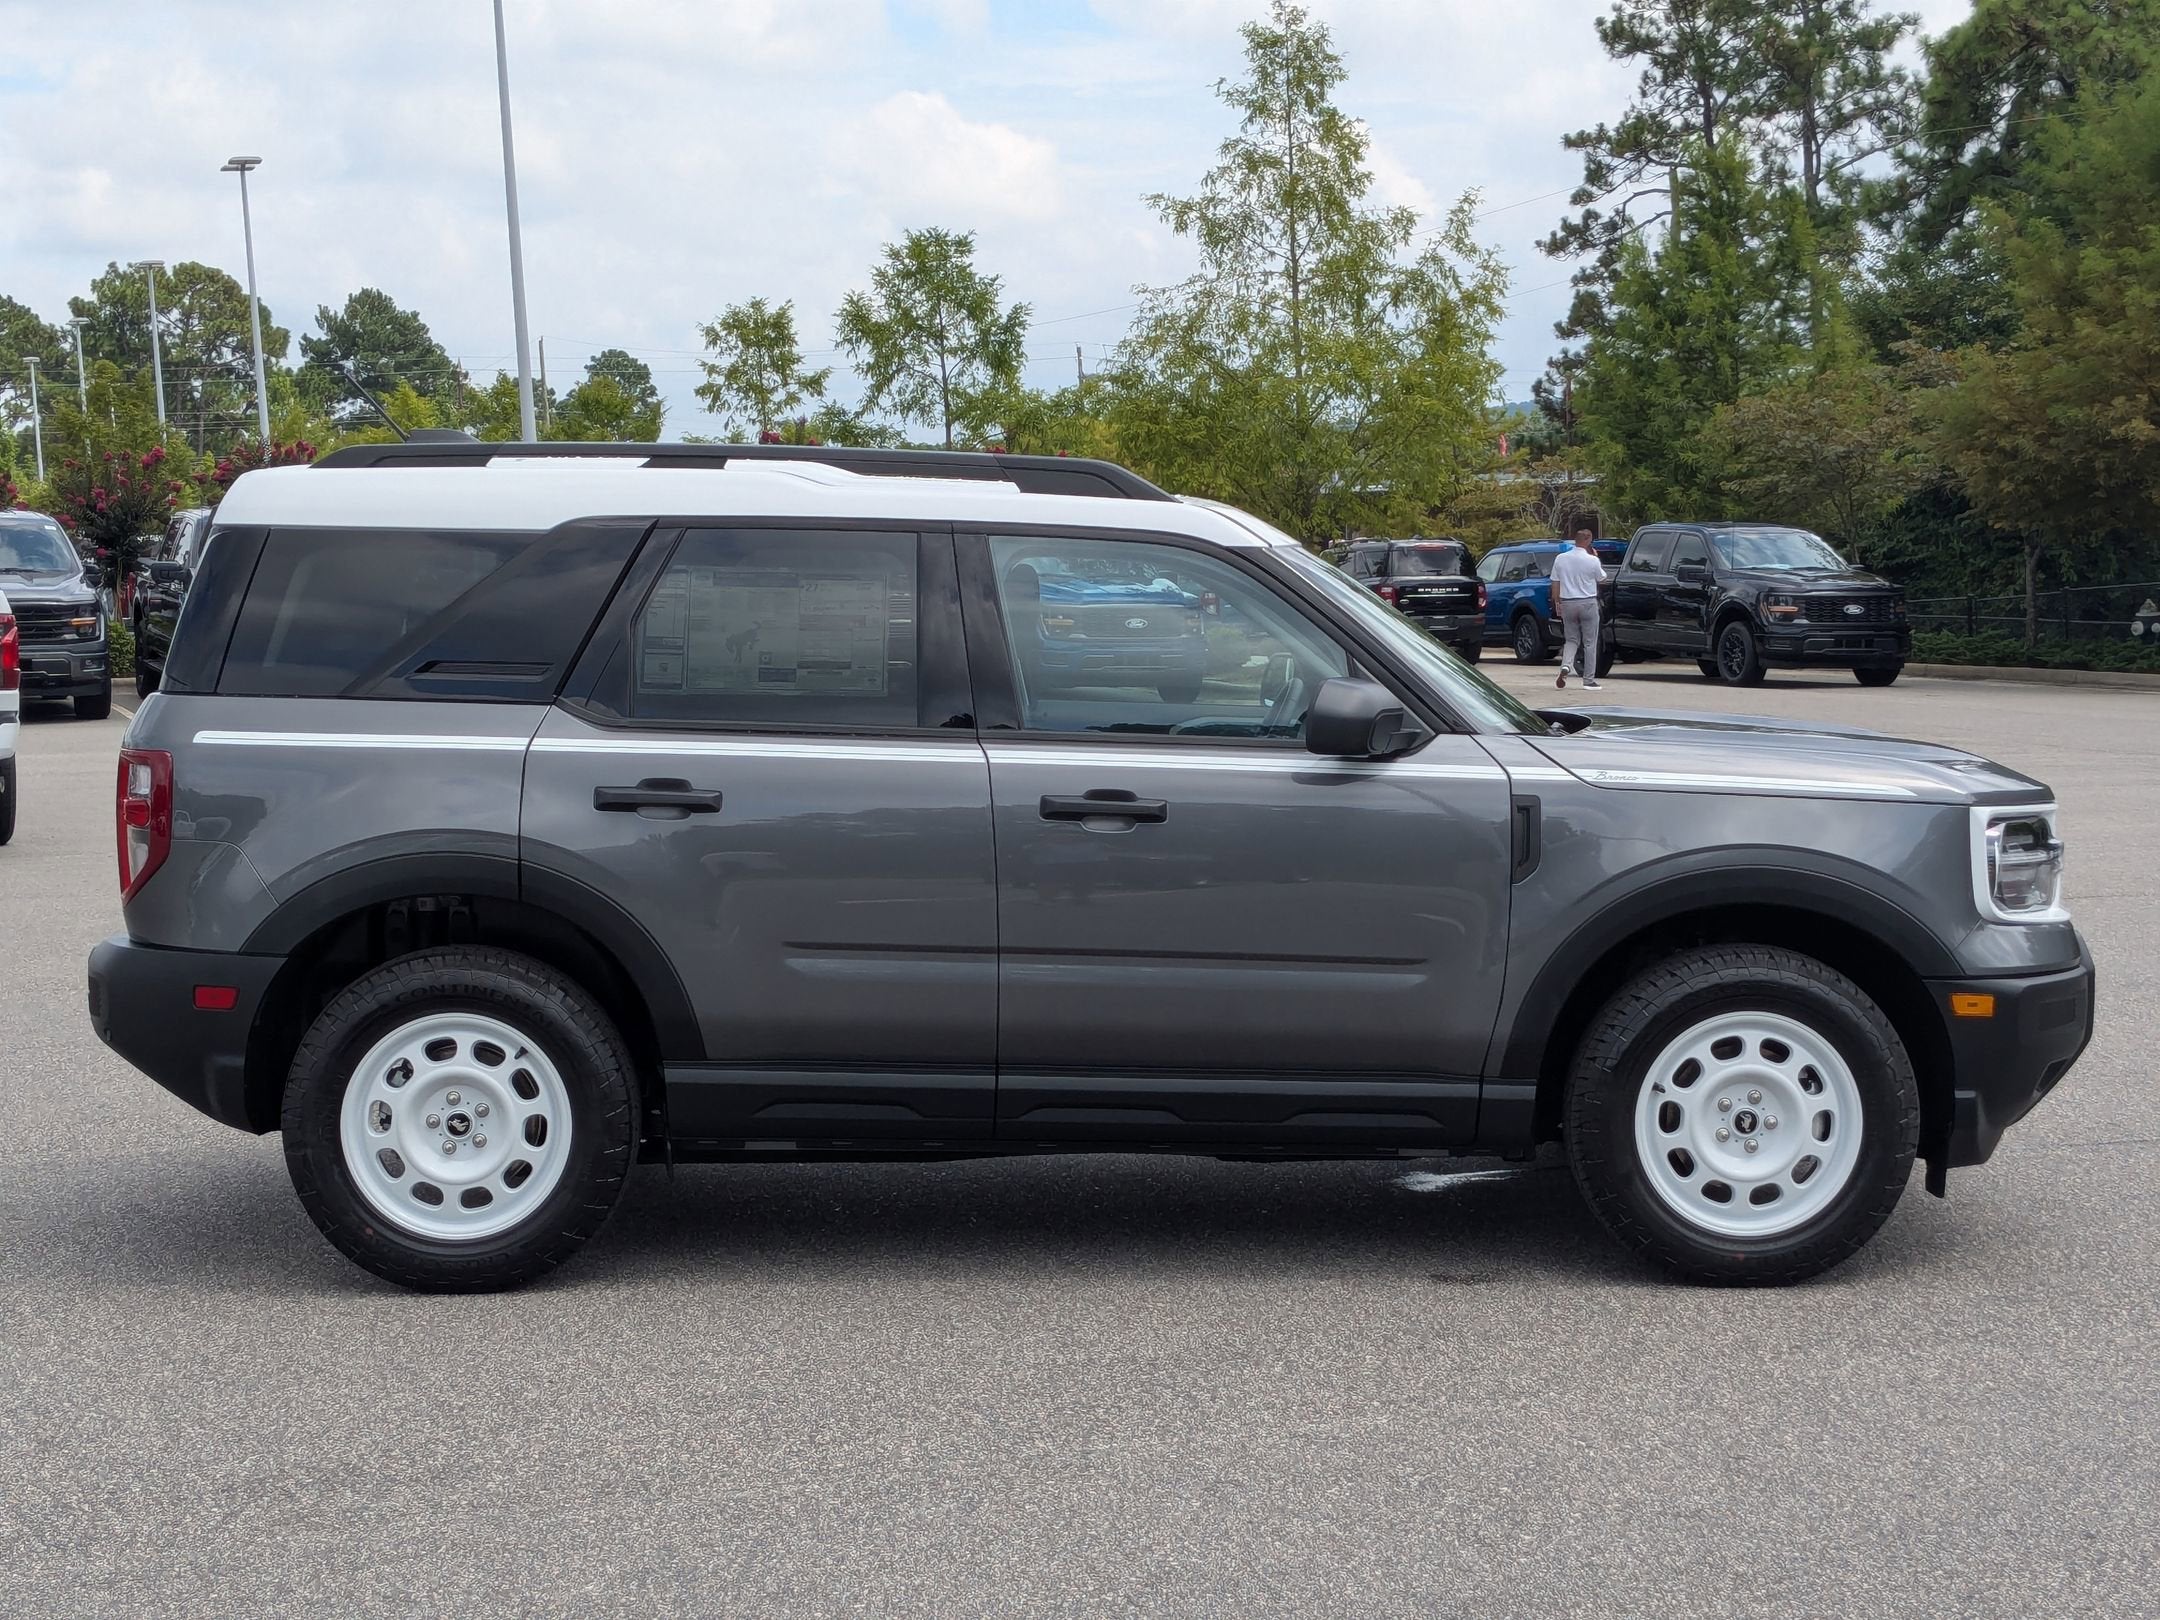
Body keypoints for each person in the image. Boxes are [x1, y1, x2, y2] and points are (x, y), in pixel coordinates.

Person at [1551, 525, 1605, 690]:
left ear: (1575, 541)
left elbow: (1555, 582)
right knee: (1590, 642)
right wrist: (1596, 557)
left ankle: (1566, 666)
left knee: (1571, 640)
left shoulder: (1561, 558)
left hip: (1567, 602)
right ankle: (1588, 680)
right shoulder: (1592, 560)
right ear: (1588, 541)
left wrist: (1557, 602)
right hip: (1587, 602)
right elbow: (1601, 578)